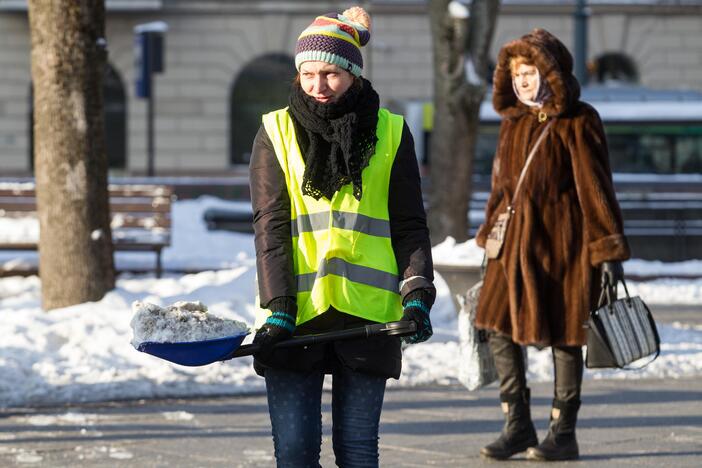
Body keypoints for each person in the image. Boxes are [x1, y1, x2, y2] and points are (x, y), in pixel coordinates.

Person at [248, 6, 435, 467]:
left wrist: (416, 292)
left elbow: (409, 222)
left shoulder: (390, 132)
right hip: (296, 316)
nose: (318, 86)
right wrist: (279, 308)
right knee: (294, 453)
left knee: (356, 452)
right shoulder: (275, 130)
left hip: (368, 316)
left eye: (330, 73)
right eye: (308, 73)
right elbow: (269, 226)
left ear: (353, 73)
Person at [474, 29, 630, 462]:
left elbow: (596, 189)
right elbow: (500, 189)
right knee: (495, 326)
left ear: (551, 72)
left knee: (565, 335)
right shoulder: (512, 123)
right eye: (516, 73)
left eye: (530, 71)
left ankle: (563, 432)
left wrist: (607, 249)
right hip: (511, 252)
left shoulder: (579, 120)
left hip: (564, 249)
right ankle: (518, 425)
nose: (523, 81)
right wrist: (489, 235)